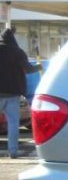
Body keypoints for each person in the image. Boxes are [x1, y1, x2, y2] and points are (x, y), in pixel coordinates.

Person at [0, 27, 42, 158]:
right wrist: (39, 66)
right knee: (13, 123)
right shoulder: (17, 52)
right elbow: (28, 69)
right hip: (12, 93)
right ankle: (13, 151)